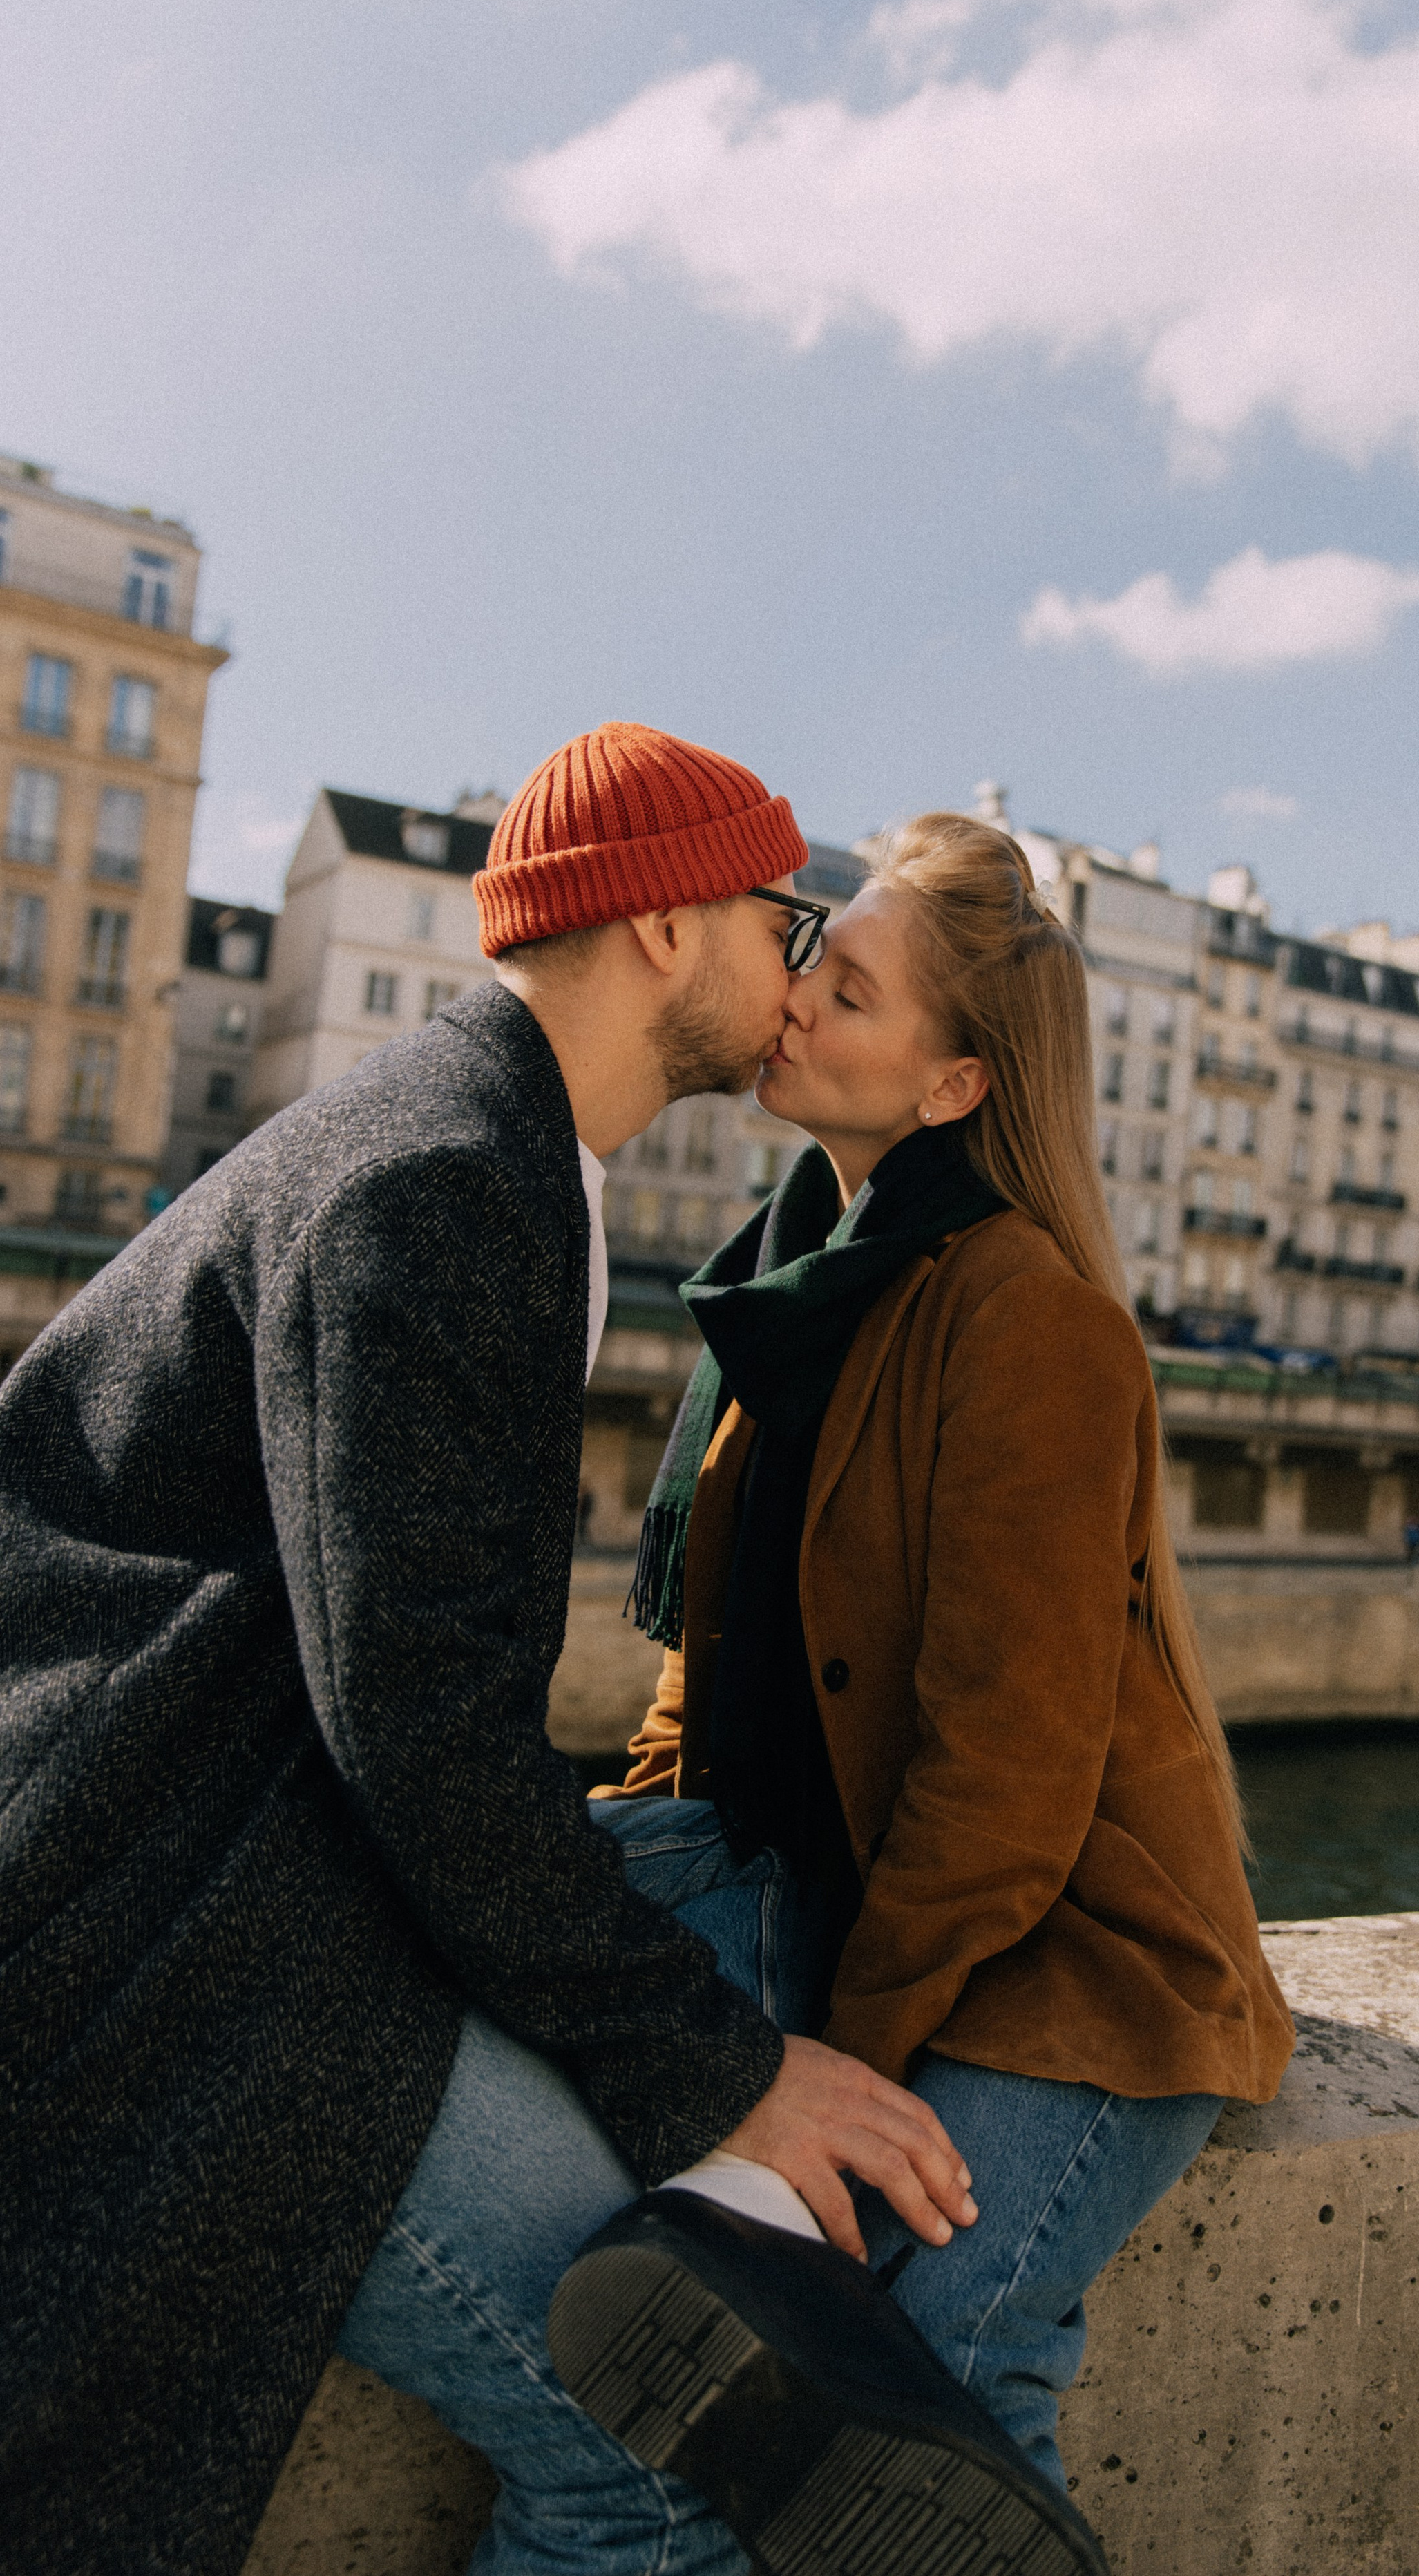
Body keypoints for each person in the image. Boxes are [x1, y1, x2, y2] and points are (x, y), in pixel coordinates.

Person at [0, 727, 992, 2576]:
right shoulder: (445, 1179)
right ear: (669, 926)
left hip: (196, 1845)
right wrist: (722, 2065)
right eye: (782, 919)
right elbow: (424, 1735)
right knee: (674, 2444)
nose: (794, 968)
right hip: (187, 1928)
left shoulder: (469, 1138)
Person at [558, 813, 1293, 2552]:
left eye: (853, 989)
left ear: (954, 1086)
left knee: (917, 2367)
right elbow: (703, 1673)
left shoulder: (1028, 1319)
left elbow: (1006, 1778)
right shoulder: (791, 1288)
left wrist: (830, 2066)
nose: (796, 997)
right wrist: (631, 1893)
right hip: (874, 1910)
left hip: (1078, 1963)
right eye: (816, 956)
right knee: (878, 2391)